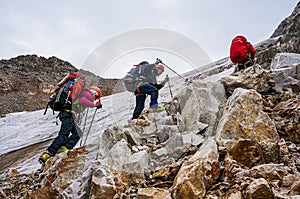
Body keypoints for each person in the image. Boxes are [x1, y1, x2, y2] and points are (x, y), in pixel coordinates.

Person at [39, 87, 102, 163]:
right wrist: (94, 105)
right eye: (95, 97)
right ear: (94, 93)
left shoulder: (83, 93)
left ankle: (63, 150)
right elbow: (82, 101)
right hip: (67, 114)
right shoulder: (86, 93)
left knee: (77, 133)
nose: (94, 98)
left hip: (68, 115)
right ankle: (47, 154)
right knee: (64, 135)